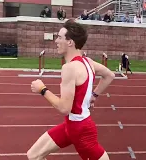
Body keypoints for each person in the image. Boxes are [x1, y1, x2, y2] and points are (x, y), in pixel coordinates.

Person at [28, 19, 115, 160]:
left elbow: (64, 108)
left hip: (81, 130)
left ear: (70, 42)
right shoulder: (88, 62)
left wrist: (42, 89)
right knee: (34, 155)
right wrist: (94, 95)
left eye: (59, 37)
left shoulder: (69, 68)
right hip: (71, 125)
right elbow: (109, 75)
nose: (56, 41)